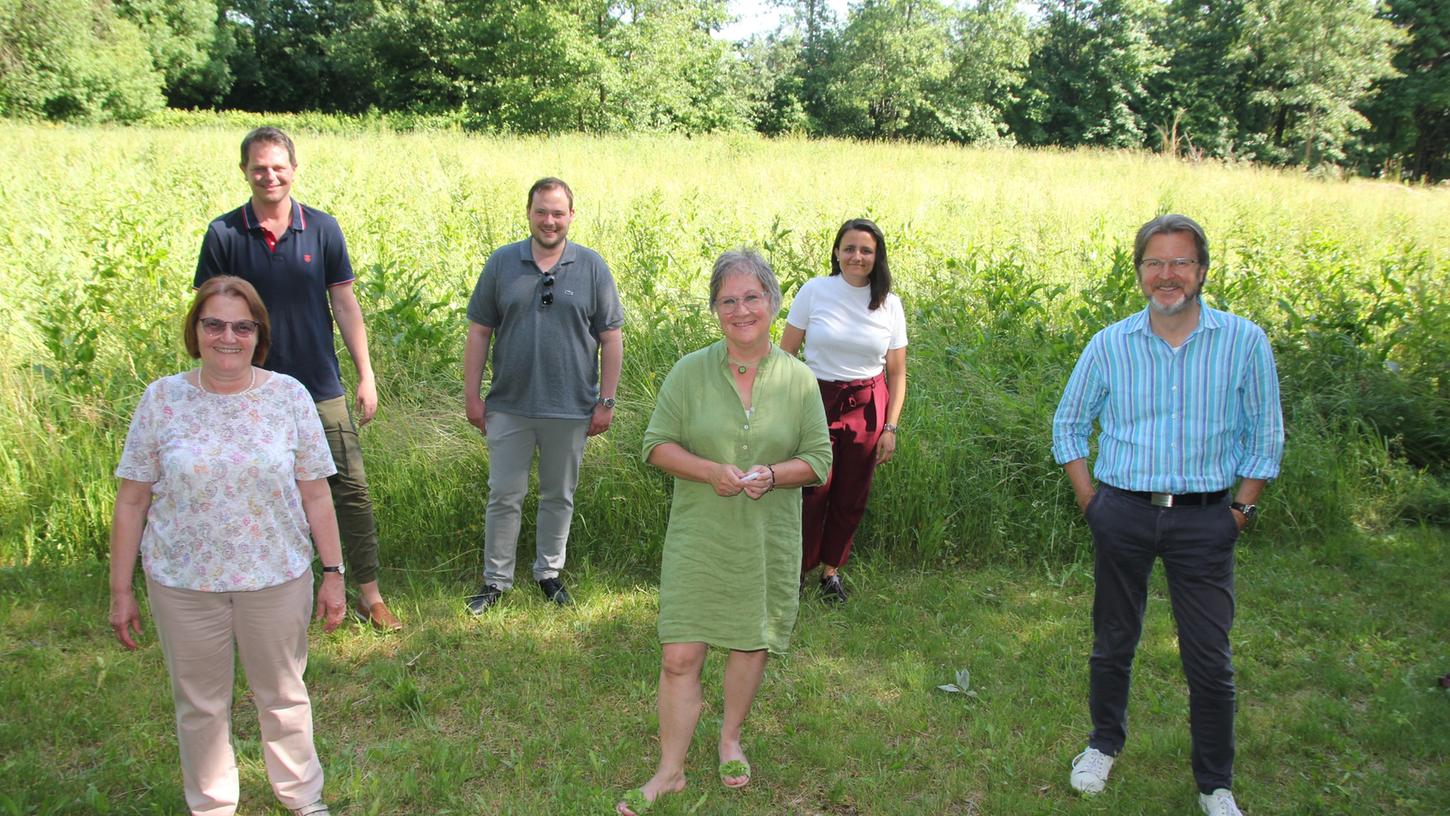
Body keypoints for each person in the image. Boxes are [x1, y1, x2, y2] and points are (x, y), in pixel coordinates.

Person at [1051, 214, 1284, 816]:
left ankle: (1215, 782)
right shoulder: (1110, 344)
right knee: (1113, 639)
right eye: (1155, 263)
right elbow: (1068, 425)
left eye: (1180, 262)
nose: (1167, 275)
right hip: (1122, 510)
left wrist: (1240, 509)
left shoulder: (1243, 342)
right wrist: (1091, 501)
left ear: (1202, 271)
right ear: (1139, 274)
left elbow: (1266, 436)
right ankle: (1103, 745)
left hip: (1207, 519)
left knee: (1209, 654)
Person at [108, 276, 347, 816]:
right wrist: (120, 588)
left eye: (243, 326)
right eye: (213, 324)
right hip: (183, 583)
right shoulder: (162, 399)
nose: (227, 337)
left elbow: (316, 495)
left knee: (284, 696)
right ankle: (212, 805)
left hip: (276, 577)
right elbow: (131, 501)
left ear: (258, 334)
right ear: (195, 330)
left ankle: (304, 800)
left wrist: (333, 573)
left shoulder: (288, 396)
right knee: (199, 705)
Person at [617, 249, 832, 815]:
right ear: (715, 309)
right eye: (728, 300)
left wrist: (774, 474)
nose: (741, 309)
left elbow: (820, 460)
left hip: (768, 537)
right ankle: (670, 771)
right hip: (700, 534)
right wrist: (710, 470)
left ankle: (730, 737)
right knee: (679, 655)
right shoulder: (689, 371)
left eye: (752, 297)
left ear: (772, 303)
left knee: (748, 639)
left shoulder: (799, 380)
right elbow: (655, 445)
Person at [194, 126, 401, 631]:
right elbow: (209, 315)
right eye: (259, 167)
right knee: (258, 492)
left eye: (278, 166)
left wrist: (365, 374)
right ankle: (269, 593)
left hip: (319, 385)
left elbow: (345, 304)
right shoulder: (224, 234)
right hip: (248, 393)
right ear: (244, 170)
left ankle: (368, 595)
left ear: (293, 169)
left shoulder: (323, 229)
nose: (269, 175)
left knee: (349, 490)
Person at [463, 177, 624, 612]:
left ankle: (548, 573)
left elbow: (611, 338)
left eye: (558, 212)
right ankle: (496, 580)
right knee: (504, 495)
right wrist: (472, 396)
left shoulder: (591, 266)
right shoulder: (502, 263)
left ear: (571, 215)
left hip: (570, 407)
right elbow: (479, 331)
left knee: (559, 495)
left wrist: (605, 401)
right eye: (541, 211)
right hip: (508, 406)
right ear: (529, 213)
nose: (549, 221)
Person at [780, 218, 907, 603]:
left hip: (868, 406)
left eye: (866, 250)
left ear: (876, 256)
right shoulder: (814, 291)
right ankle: (798, 571)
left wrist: (891, 427)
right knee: (812, 489)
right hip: (814, 398)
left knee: (851, 493)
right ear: (836, 252)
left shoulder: (889, 304)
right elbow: (784, 355)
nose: (857, 256)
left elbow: (898, 372)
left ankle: (831, 572)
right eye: (849, 248)